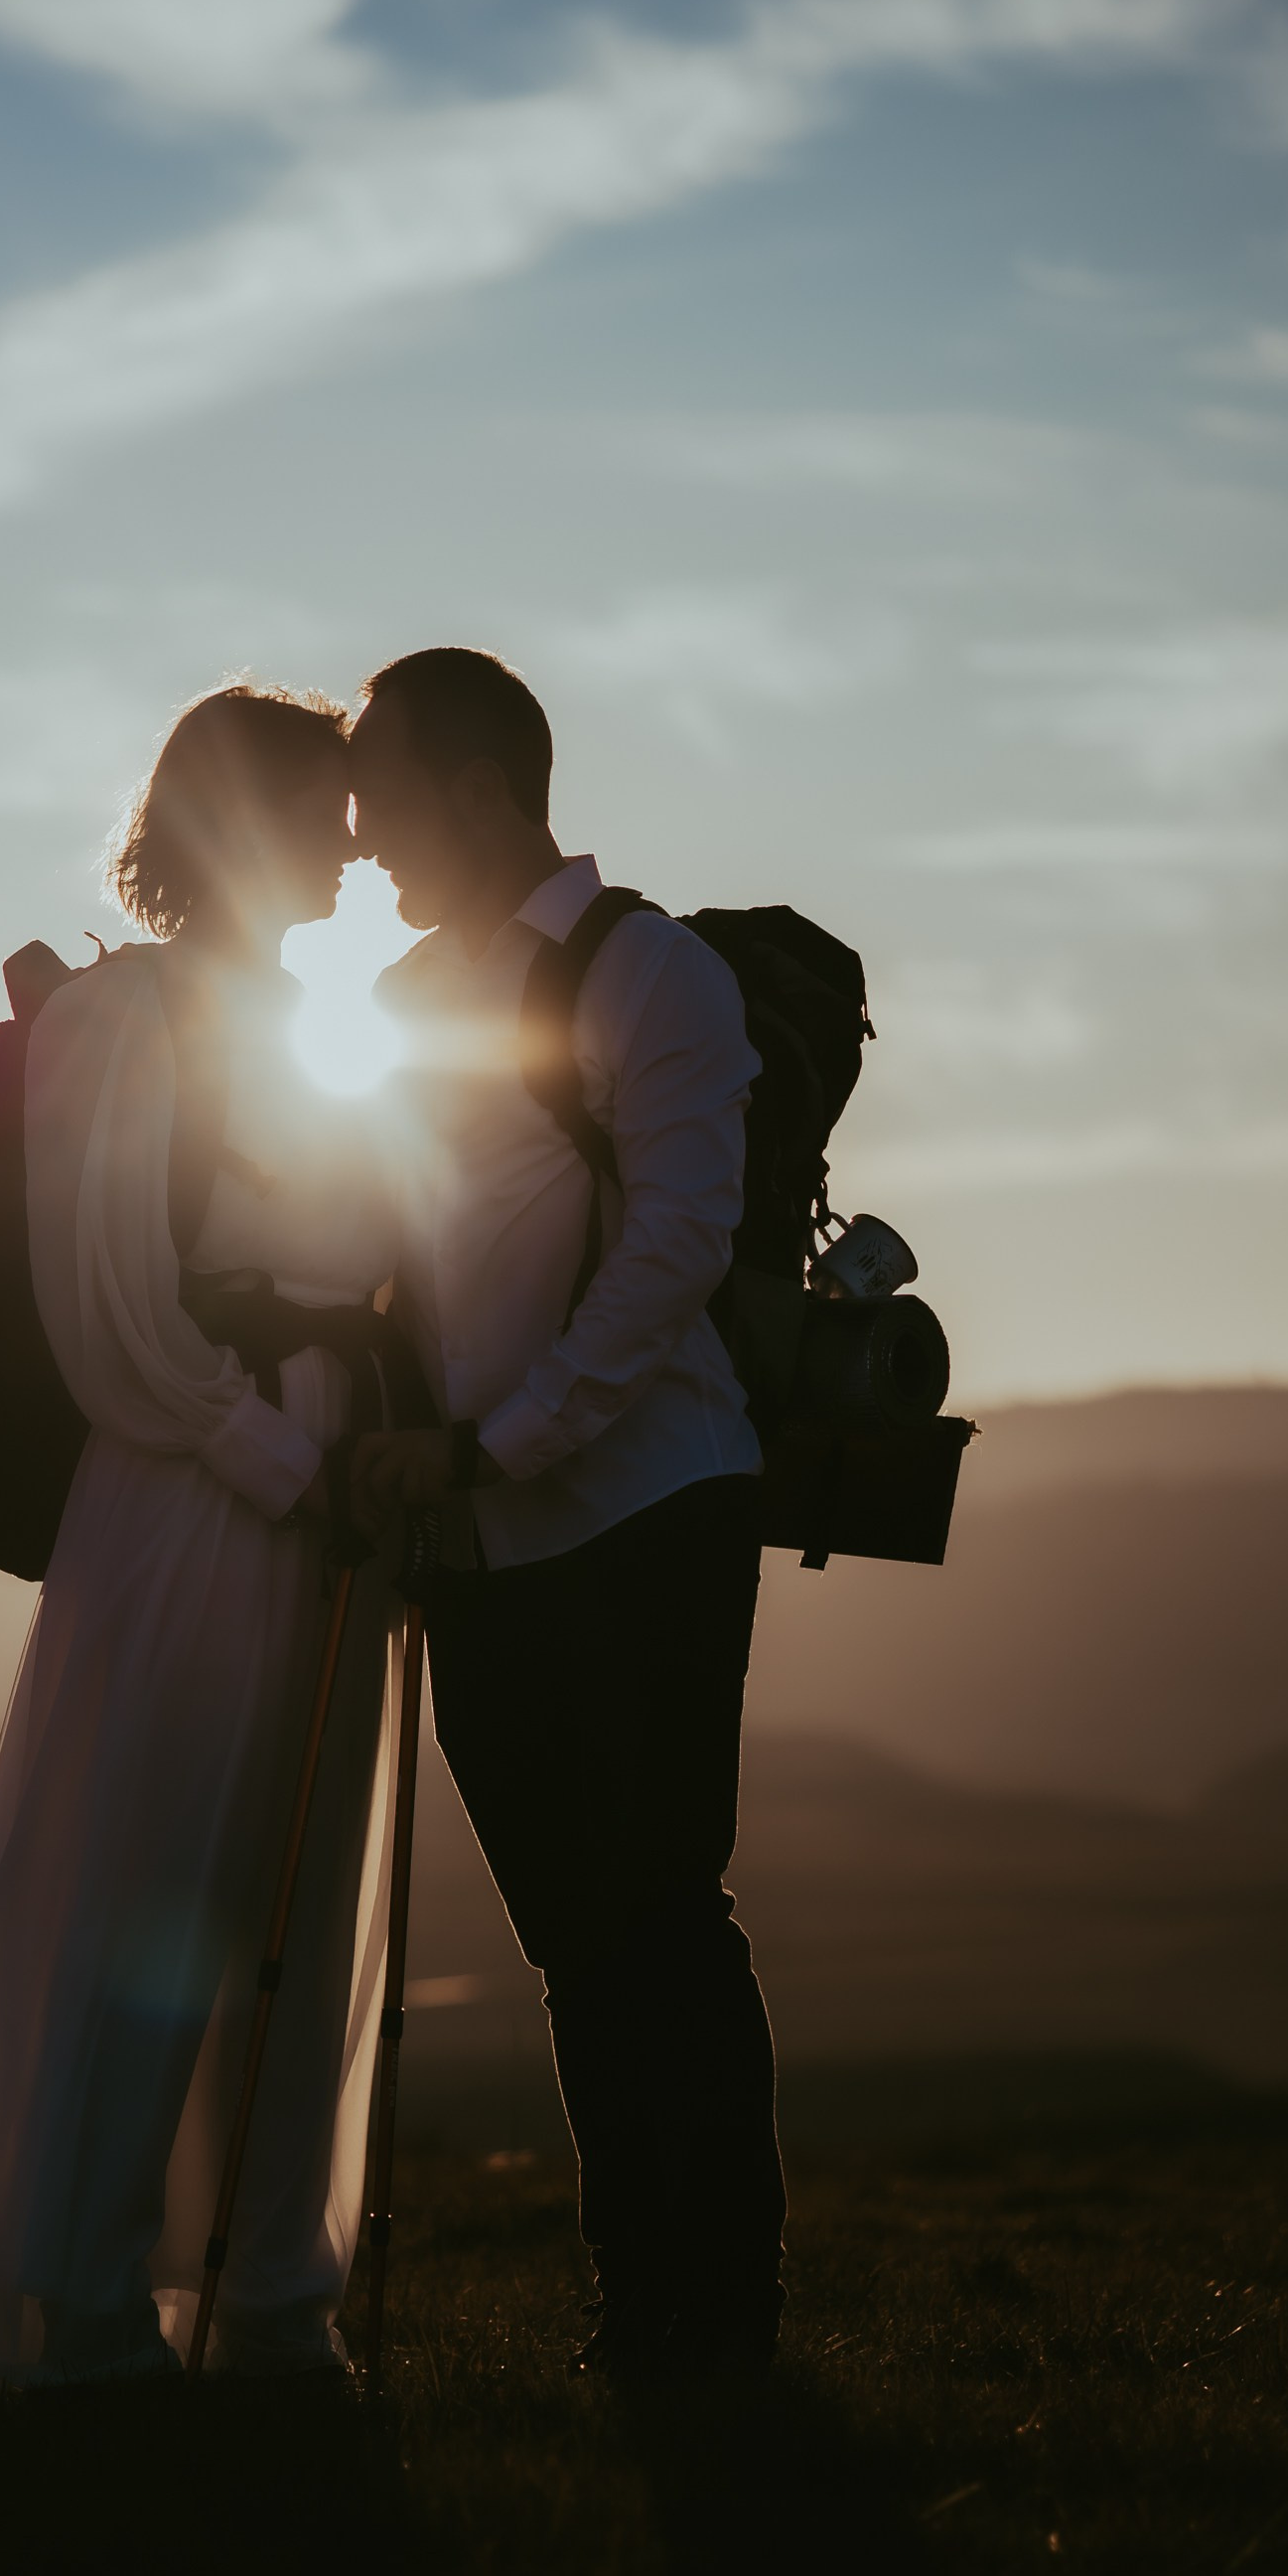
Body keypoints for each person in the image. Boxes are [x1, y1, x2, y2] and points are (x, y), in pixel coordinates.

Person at [0, 686, 411, 2391]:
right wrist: (265, 1450)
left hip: (336, 1490)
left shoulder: (322, 1027)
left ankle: (269, 2294)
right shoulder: (118, 1017)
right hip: (188, 1499)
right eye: (320, 806)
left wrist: (372, 1454)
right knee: (147, 1884)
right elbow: (113, 1310)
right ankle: (77, 2294)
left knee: (294, 1903)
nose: (351, 838)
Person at [346, 645, 784, 2384]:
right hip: (482, 1534)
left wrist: (499, 1441)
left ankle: (720, 2318)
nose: (359, 830)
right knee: (573, 1947)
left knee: (662, 1913)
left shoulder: (647, 973)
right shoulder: (389, 1010)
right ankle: (643, 2316)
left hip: (650, 1504)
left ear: (470, 785)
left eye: (377, 789)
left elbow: (674, 1246)